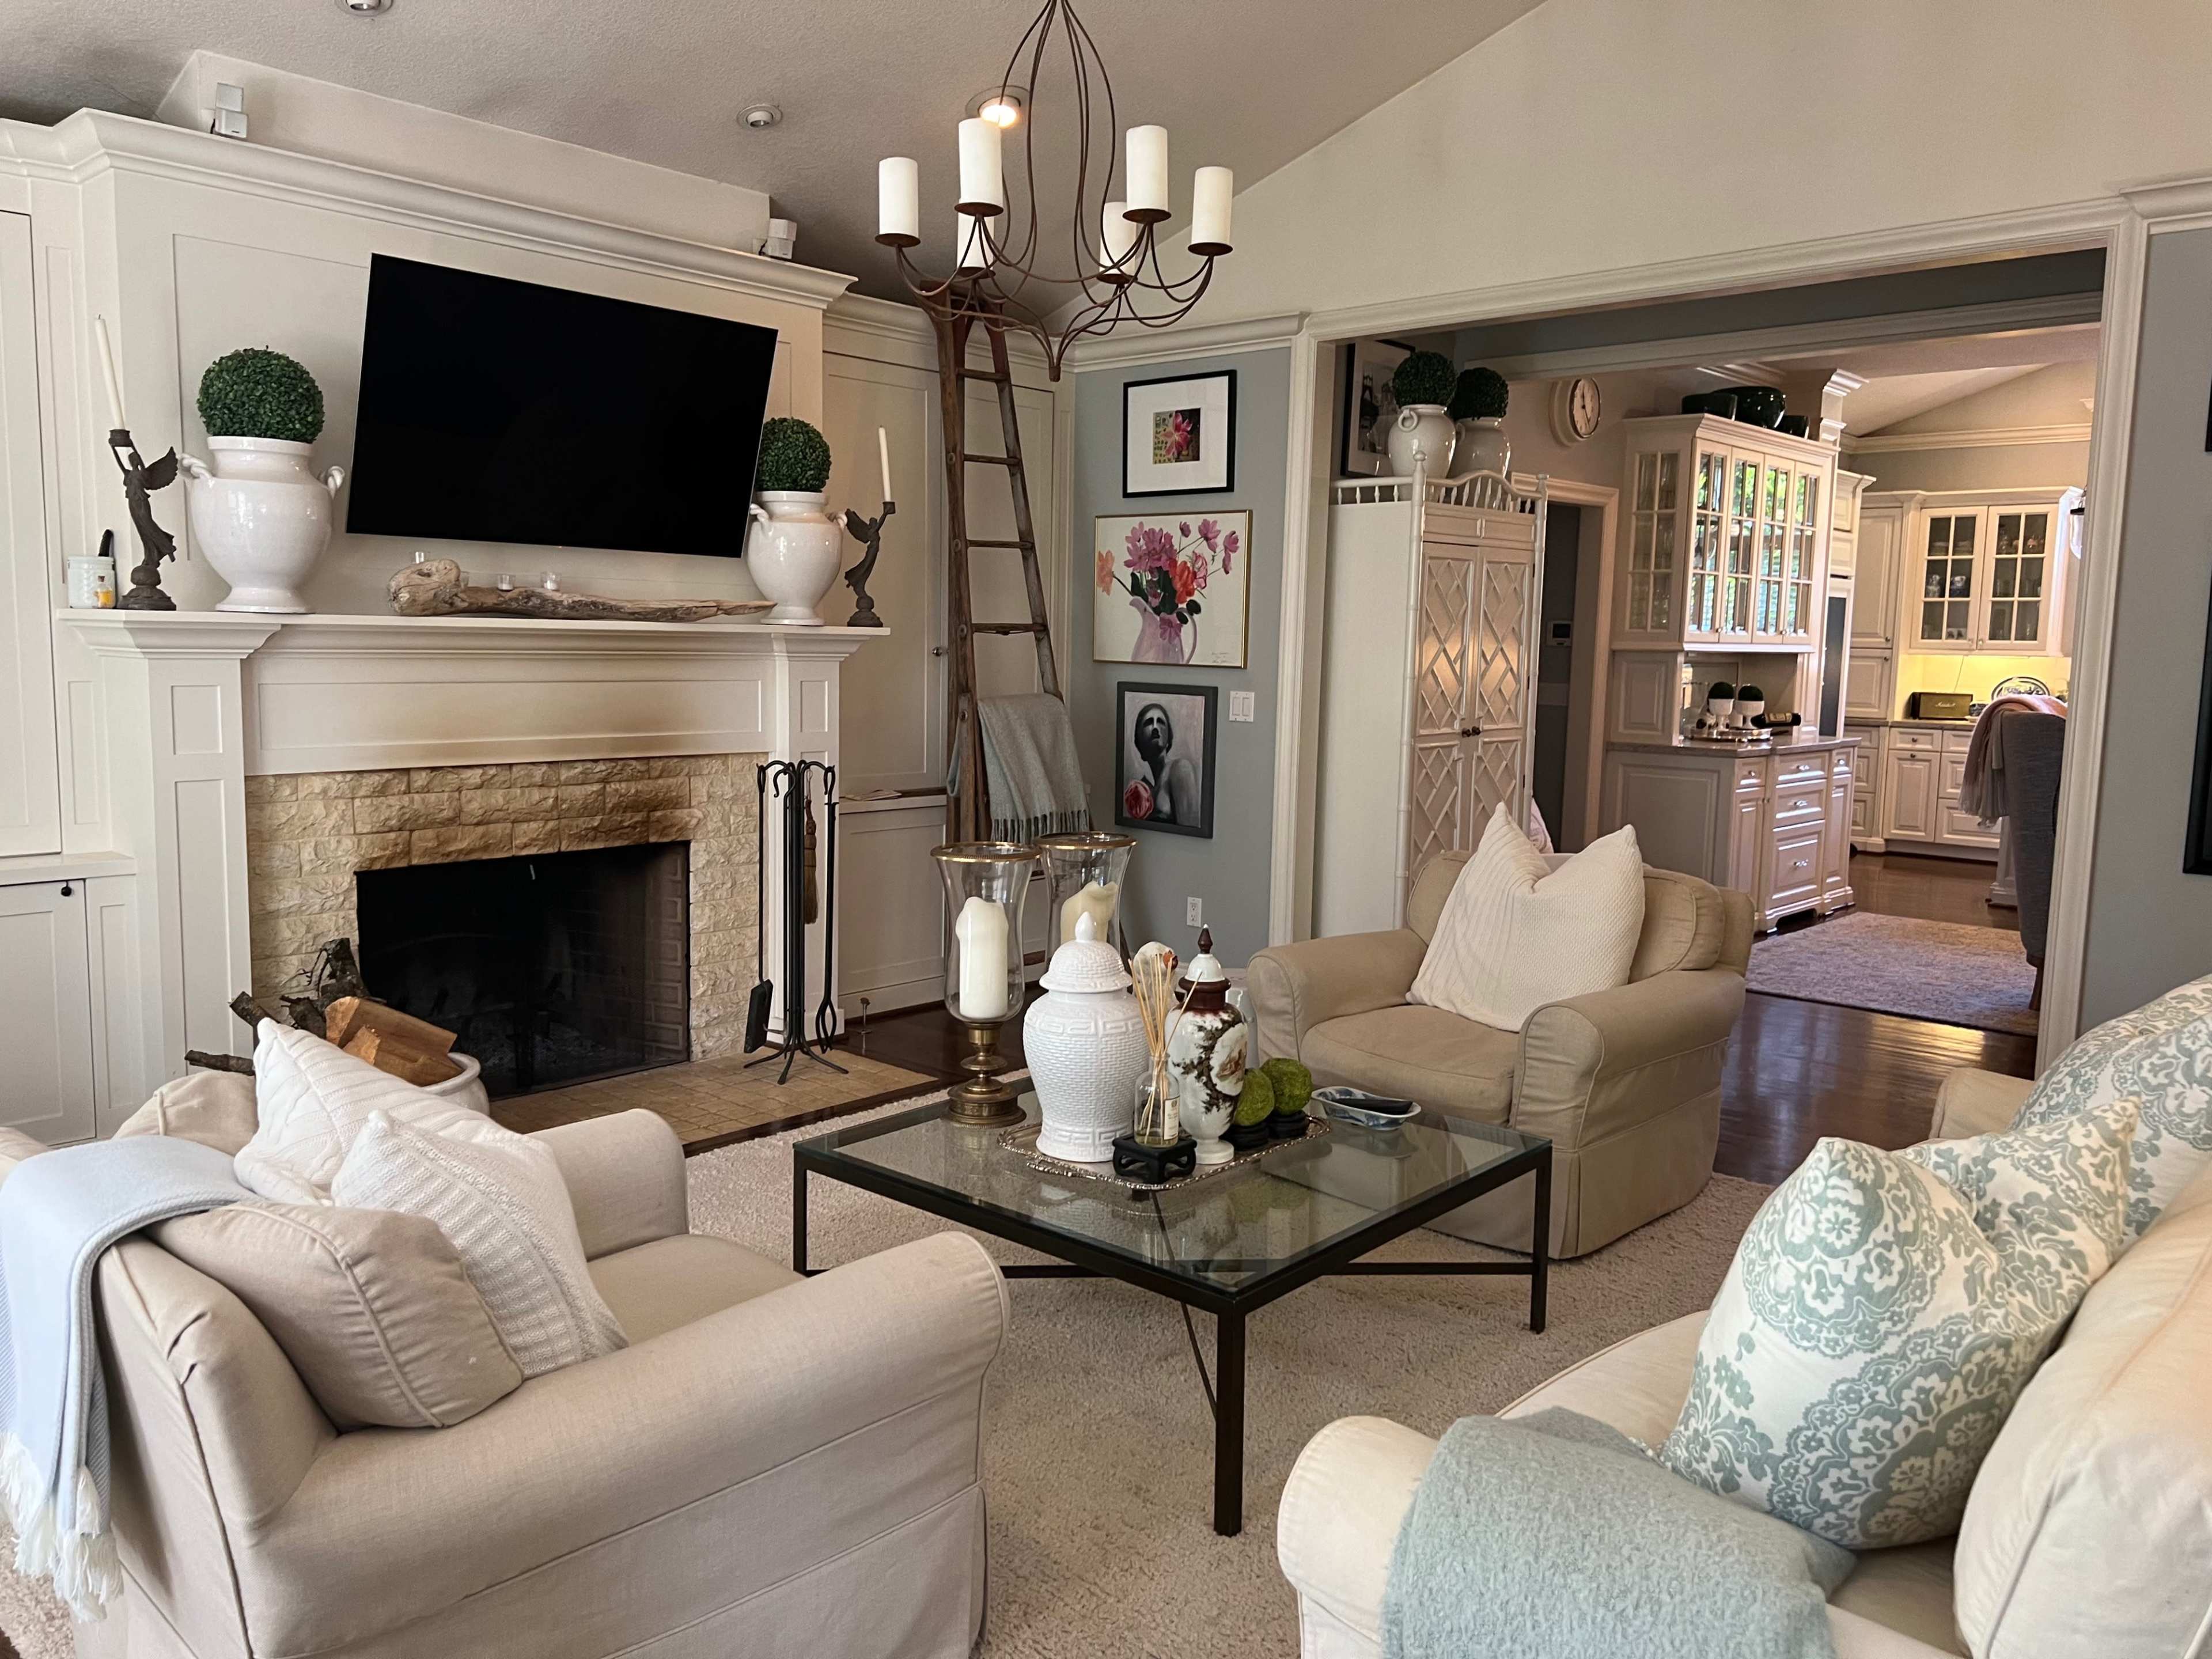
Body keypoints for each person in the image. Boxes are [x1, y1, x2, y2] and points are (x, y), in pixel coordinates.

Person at [1132, 700, 1202, 827]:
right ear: (1139, 740)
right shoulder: (1145, 785)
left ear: (1169, 737)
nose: (1155, 727)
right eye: (1148, 723)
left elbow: (1189, 828)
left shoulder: (1180, 769)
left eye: (1160, 722)